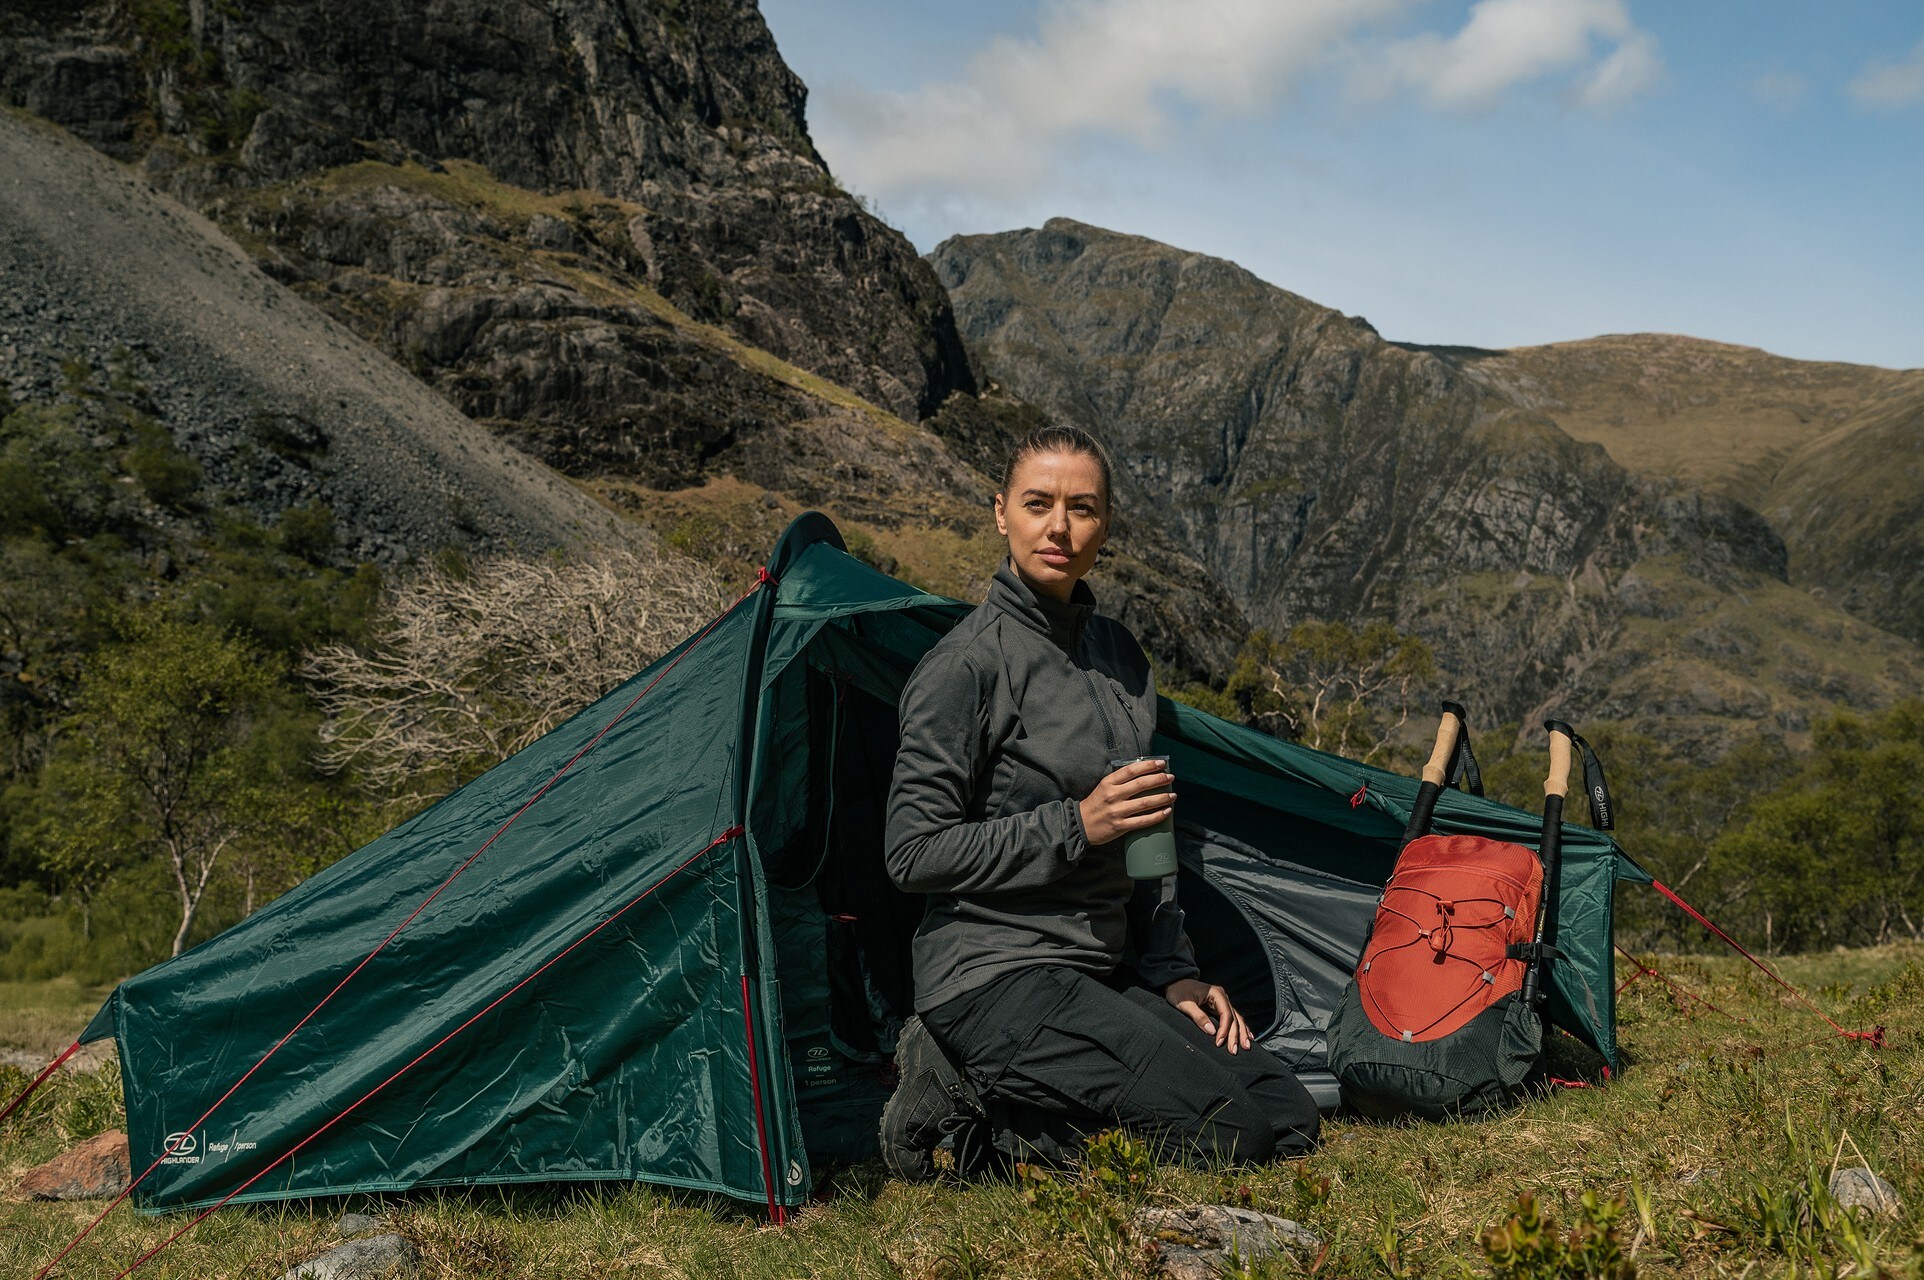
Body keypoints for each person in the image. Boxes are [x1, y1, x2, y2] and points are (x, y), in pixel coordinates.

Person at [878, 424, 1319, 1180]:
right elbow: (911, 852)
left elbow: (1148, 829)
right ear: (1000, 514)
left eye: (1081, 508)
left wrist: (1172, 969)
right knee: (1229, 1139)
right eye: (1037, 503)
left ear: (1105, 524)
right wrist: (1075, 824)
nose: (1059, 527)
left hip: (1099, 973)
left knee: (1287, 1116)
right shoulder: (964, 667)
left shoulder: (1121, 658)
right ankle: (972, 1106)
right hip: (992, 976)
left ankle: (1032, 1096)